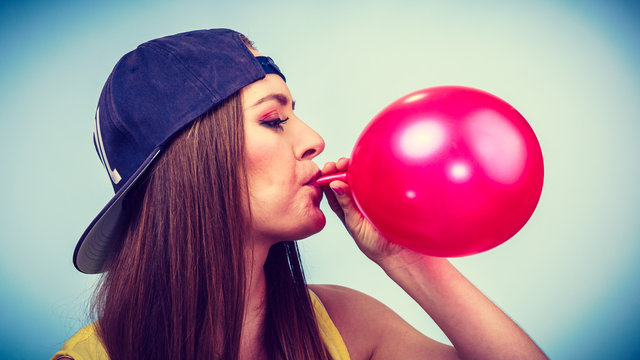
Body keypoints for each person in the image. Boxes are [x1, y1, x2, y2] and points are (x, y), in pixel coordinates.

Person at [52, 28, 548, 360]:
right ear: (191, 164)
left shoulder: (344, 326)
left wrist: (409, 259)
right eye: (274, 119)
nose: (313, 139)